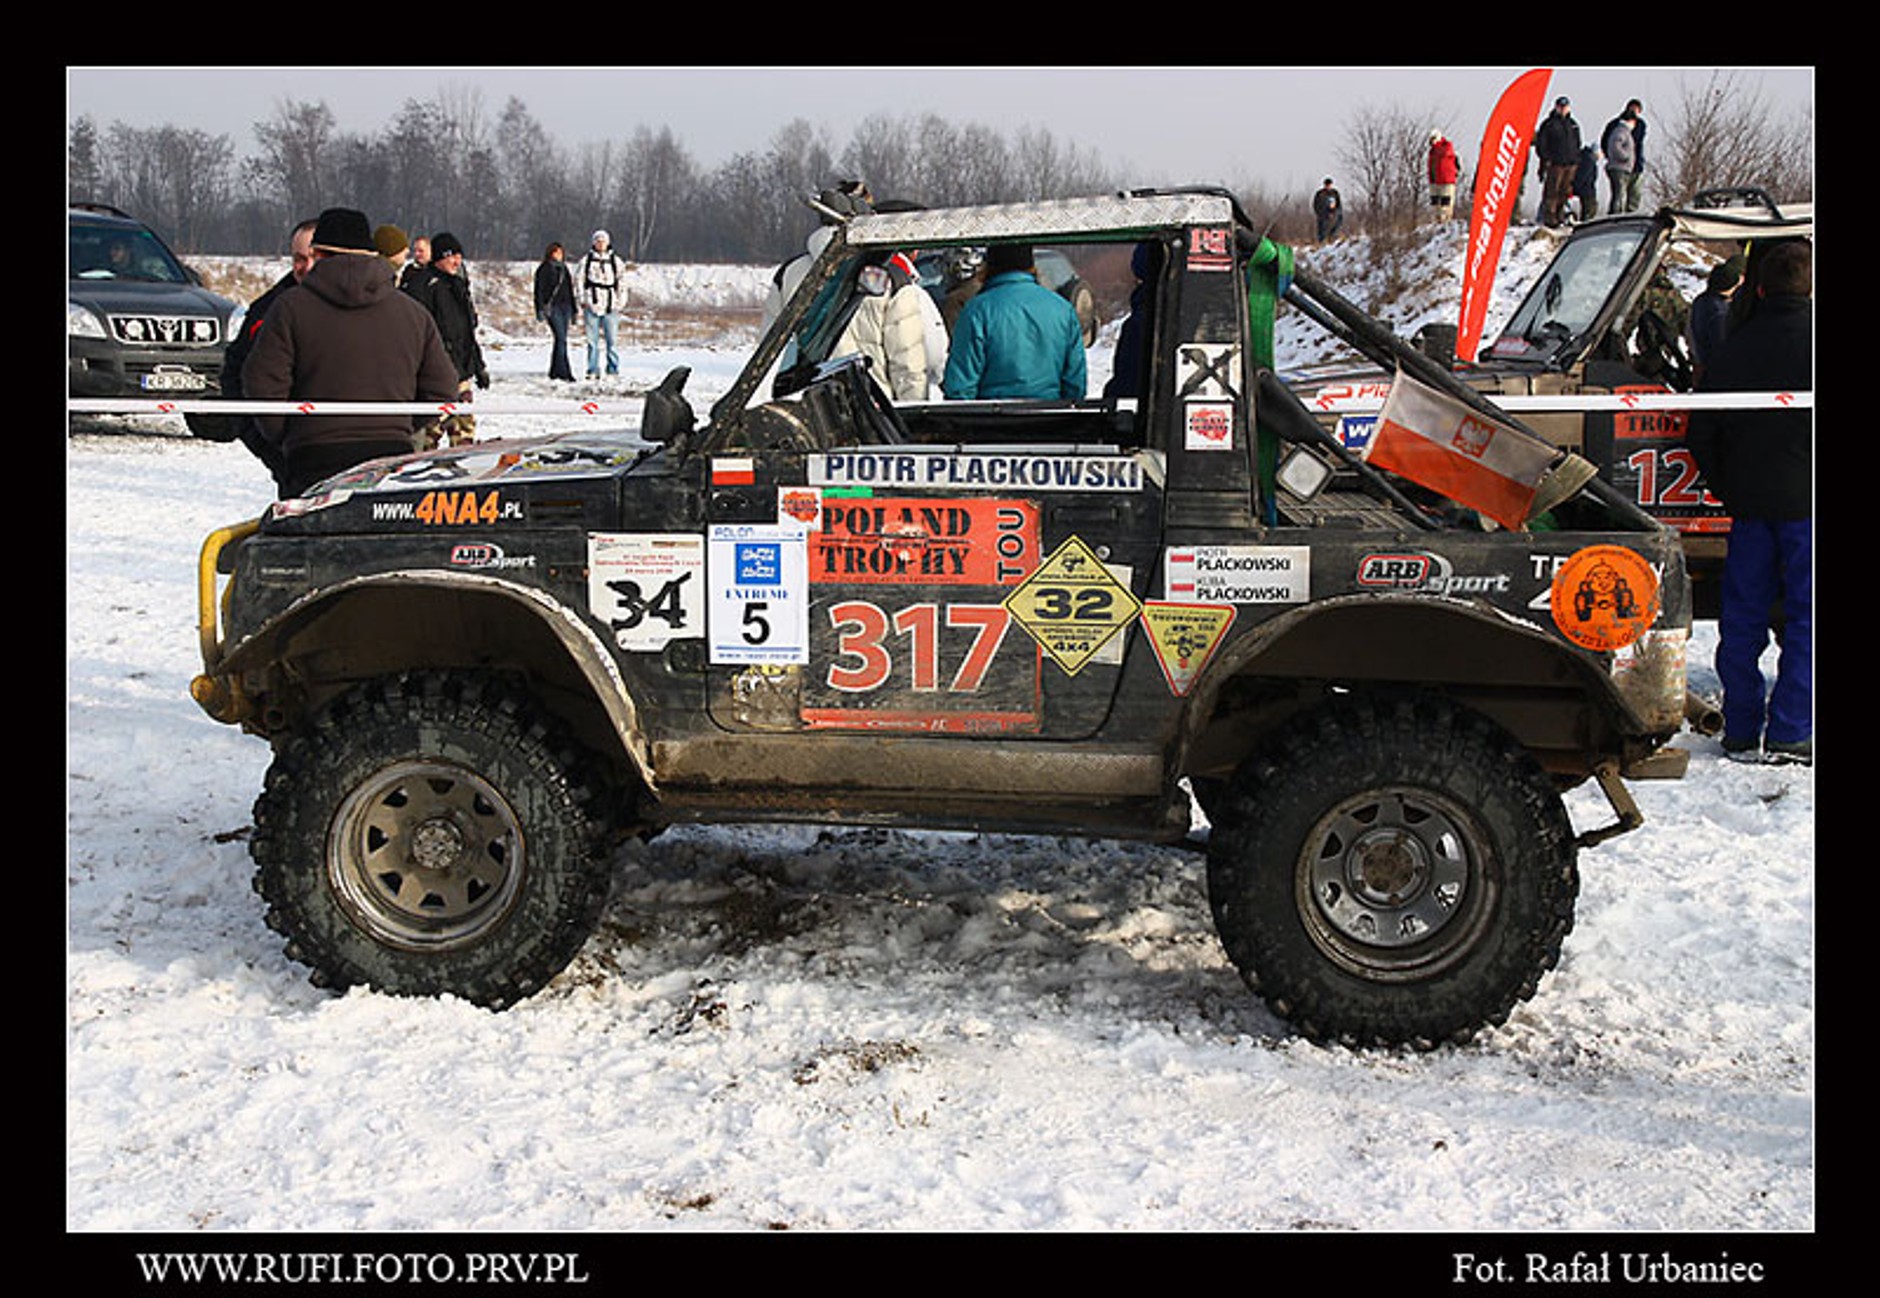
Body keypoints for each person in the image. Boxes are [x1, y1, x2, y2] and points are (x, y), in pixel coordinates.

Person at [1684, 241, 1813, 765]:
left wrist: (1728, 487)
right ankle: (1790, 729)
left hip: (1751, 507)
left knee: (1742, 619)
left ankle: (1740, 727)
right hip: (1808, 506)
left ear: (1759, 287)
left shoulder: (1734, 347)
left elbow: (1701, 429)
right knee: (1808, 620)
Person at [239, 207, 459, 500]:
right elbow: (443, 389)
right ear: (370, 253)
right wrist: (397, 425)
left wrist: (291, 436)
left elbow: (261, 384)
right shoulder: (412, 314)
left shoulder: (289, 308)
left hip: (311, 461)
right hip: (389, 461)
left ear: (317, 253)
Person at [217, 216, 320, 489]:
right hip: (294, 463)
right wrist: (268, 447)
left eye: (314, 257)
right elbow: (235, 376)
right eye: (299, 258)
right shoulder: (268, 310)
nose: (306, 267)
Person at [941, 243, 1086, 401]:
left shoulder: (976, 311)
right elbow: (1076, 385)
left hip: (988, 420)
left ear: (988, 267)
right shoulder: (1063, 309)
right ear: (1032, 267)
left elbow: (960, 388)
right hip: (1051, 419)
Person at [401, 231, 488, 449]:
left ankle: (461, 471)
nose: (457, 261)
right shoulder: (423, 285)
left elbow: (467, 332)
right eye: (451, 256)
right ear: (439, 257)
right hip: (437, 376)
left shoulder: (458, 286)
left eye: (459, 256)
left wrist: (479, 367)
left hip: (462, 374)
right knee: (429, 437)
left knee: (464, 437)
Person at [577, 229, 628, 379]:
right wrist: (582, 299)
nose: (600, 244)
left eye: (603, 241)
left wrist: (620, 303)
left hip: (610, 306)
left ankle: (613, 369)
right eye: (597, 241)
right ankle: (592, 369)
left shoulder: (616, 262)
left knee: (612, 341)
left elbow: (622, 283)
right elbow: (579, 281)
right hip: (591, 304)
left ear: (608, 243)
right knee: (592, 342)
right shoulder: (586, 261)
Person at [1686, 258, 1743, 383]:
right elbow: (1720, 347)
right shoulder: (1720, 312)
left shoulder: (1700, 301)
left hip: (1701, 366)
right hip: (1714, 372)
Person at [1533, 97, 1582, 227]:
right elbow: (1541, 144)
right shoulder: (1549, 124)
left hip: (1570, 163)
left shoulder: (1573, 124)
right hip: (1555, 163)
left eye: (1565, 107)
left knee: (1565, 191)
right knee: (1552, 191)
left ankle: (1560, 216)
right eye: (1560, 106)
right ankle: (1550, 218)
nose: (1563, 109)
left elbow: (1577, 143)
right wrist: (1546, 159)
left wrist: (1576, 159)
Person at [533, 241, 577, 382]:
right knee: (561, 339)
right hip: (553, 307)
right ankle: (565, 372)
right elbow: (539, 291)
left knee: (560, 340)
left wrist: (574, 310)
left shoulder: (564, 269)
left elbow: (570, 290)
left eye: (561, 252)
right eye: (557, 252)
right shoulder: (544, 269)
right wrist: (539, 309)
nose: (560, 255)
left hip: (566, 307)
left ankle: (555, 371)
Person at [1600, 102, 1641, 217]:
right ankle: (1616, 216)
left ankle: (1619, 214)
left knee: (1622, 194)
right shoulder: (1621, 131)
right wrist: (1626, 157)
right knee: (1619, 195)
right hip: (1619, 167)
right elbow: (1615, 146)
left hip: (1624, 167)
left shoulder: (1624, 131)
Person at [1426, 132, 1459, 222]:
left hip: (1446, 180)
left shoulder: (1446, 148)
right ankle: (1436, 221)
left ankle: (1445, 221)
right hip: (1435, 180)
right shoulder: (1432, 151)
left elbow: (1447, 153)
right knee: (1435, 204)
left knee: (1445, 204)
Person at [1572, 145, 1600, 223]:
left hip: (1586, 189)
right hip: (1587, 190)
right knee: (1590, 210)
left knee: (1590, 209)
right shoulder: (1589, 160)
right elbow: (1583, 175)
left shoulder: (1586, 158)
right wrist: (1576, 186)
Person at [1312, 178, 1343, 242]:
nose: (1328, 186)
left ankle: (1332, 236)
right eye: (1327, 185)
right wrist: (1318, 213)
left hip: (1333, 213)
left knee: (1338, 222)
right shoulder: (1320, 193)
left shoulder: (1335, 193)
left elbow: (1338, 203)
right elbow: (1315, 204)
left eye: (1329, 185)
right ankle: (1322, 241)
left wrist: (1334, 212)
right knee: (1322, 229)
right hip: (1323, 214)